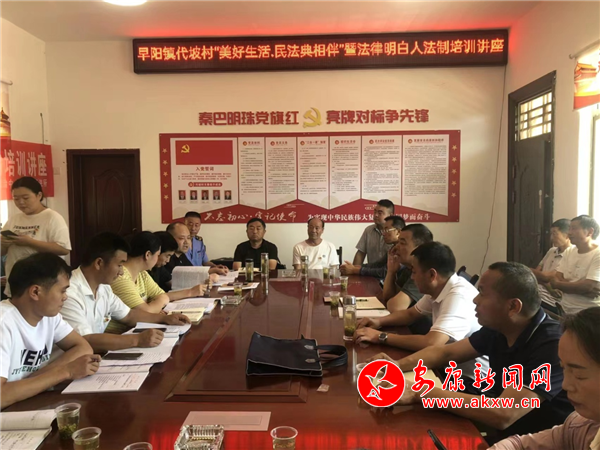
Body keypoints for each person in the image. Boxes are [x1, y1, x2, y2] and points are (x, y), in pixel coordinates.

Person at [369, 262, 573, 445]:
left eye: (482, 293)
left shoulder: (552, 344)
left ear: (513, 306)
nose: (475, 299)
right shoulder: (501, 327)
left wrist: (420, 392)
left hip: (535, 440)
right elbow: (446, 353)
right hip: (504, 428)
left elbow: (504, 413)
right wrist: (396, 365)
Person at [355, 242, 487, 384]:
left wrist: (380, 336)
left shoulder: (458, 296)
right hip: (443, 366)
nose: (412, 277)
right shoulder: (440, 287)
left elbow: (431, 342)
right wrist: (378, 322)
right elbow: (410, 314)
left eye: (414, 272)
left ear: (432, 275)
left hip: (470, 380)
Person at [489, 307, 600, 450]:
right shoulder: (581, 427)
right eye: (563, 369)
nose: (565, 385)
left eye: (579, 376)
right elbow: (518, 444)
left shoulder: (545, 342)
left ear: (514, 306)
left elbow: (504, 412)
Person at [61, 233, 190, 353]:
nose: (122, 272)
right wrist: (137, 340)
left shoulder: (103, 287)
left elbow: (129, 315)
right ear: (99, 263)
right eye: (119, 265)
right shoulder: (68, 292)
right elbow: (85, 340)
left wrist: (165, 319)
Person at [0, 253, 100, 409]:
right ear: (35, 292)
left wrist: (34, 381)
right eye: (62, 291)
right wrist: (65, 371)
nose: (65, 297)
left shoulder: (48, 317)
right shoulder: (3, 322)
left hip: (30, 403)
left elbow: (83, 347)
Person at [106, 231, 206, 334]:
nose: (160, 259)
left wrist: (157, 304)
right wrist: (158, 303)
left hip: (134, 330)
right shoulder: (121, 278)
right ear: (148, 255)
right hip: (118, 334)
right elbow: (146, 311)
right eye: (158, 255)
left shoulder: (142, 274)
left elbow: (161, 296)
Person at [1, 177, 71, 297]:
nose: (20, 202)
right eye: (16, 198)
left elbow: (63, 249)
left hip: (42, 282)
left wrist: (30, 242)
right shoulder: (14, 219)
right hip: (16, 281)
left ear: (39, 195)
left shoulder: (52, 217)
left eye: (25, 198)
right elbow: (2, 252)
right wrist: (3, 244)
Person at [549, 215, 600, 314]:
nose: (569, 232)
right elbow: (555, 278)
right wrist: (581, 289)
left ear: (590, 232)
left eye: (574, 228)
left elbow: (587, 286)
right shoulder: (569, 251)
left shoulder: (597, 254)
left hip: (588, 312)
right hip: (564, 308)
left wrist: (559, 284)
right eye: (569, 228)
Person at [382, 223, 434, 312]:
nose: (396, 247)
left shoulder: (425, 272)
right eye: (398, 242)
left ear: (419, 248)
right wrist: (391, 271)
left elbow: (395, 307)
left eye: (402, 243)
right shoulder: (408, 268)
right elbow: (388, 297)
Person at [340, 215, 405, 279]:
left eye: (387, 230)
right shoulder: (393, 248)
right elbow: (377, 265)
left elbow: (384, 272)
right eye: (383, 230)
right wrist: (354, 267)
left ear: (398, 232)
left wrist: (356, 270)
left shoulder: (403, 249)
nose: (383, 234)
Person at [530, 218, 572, 312]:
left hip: (550, 301)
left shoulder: (571, 255)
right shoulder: (551, 251)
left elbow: (546, 276)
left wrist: (528, 270)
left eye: (555, 234)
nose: (551, 238)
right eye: (551, 234)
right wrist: (548, 285)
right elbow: (536, 275)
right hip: (536, 293)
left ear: (567, 235)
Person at [352, 199, 395, 265]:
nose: (376, 215)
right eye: (375, 212)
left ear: (390, 215)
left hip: (390, 270)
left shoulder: (395, 232)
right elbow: (360, 253)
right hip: (371, 270)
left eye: (380, 213)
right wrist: (353, 269)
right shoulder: (368, 230)